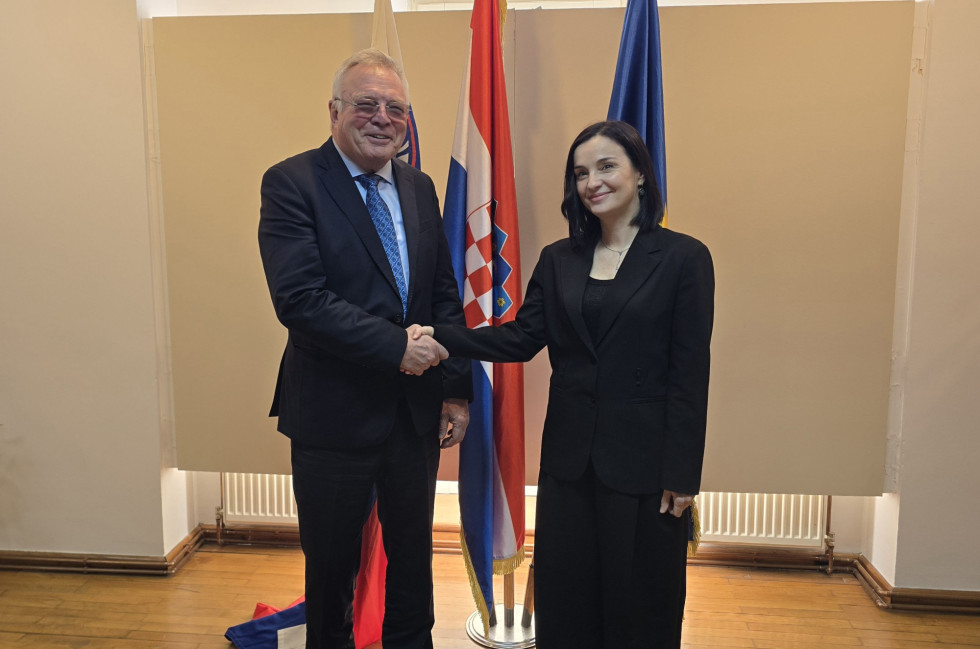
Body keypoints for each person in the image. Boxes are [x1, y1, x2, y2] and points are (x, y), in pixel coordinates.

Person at [416, 120, 714, 649]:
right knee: (567, 598)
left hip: (645, 469)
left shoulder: (685, 258)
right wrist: (442, 338)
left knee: (641, 603)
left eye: (606, 167)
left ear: (640, 173)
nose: (591, 182)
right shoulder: (560, 260)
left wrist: (682, 473)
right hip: (569, 466)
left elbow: (689, 374)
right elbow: (520, 340)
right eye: (580, 173)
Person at [257, 49, 471, 649]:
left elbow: (441, 294)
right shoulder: (292, 182)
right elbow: (299, 299)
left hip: (414, 414)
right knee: (331, 569)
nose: (382, 118)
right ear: (334, 111)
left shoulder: (419, 186)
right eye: (366, 104)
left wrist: (455, 390)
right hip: (332, 412)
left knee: (413, 560)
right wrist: (395, 348)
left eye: (395, 108)